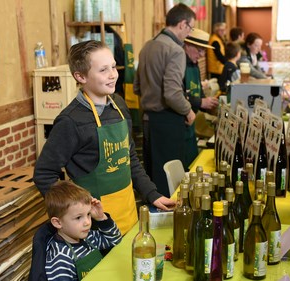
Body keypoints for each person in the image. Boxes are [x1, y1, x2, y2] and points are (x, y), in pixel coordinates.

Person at [34, 40, 175, 235]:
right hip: (93, 228)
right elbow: (43, 173)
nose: (113, 75)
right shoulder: (71, 121)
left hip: (128, 215)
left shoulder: (118, 105)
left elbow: (130, 158)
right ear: (80, 76)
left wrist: (152, 194)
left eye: (114, 66)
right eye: (103, 70)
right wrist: (74, 213)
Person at [134, 3, 196, 197]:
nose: (189, 33)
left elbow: (137, 87)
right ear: (182, 24)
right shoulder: (175, 50)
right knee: (169, 183)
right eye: (190, 28)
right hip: (168, 121)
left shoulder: (147, 46)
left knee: (152, 178)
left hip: (148, 120)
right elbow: (172, 94)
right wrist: (188, 110)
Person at [44, 181, 122, 280]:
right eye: (78, 218)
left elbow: (115, 240)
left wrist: (101, 217)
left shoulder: (88, 237)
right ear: (58, 223)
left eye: (88, 214)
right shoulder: (61, 258)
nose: (87, 222)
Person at [183, 29, 219, 168]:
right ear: (188, 45)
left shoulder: (195, 65)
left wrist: (209, 103)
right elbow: (178, 94)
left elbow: (198, 91)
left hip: (193, 123)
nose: (202, 55)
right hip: (183, 122)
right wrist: (201, 102)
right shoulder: (179, 65)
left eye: (204, 51)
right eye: (199, 50)